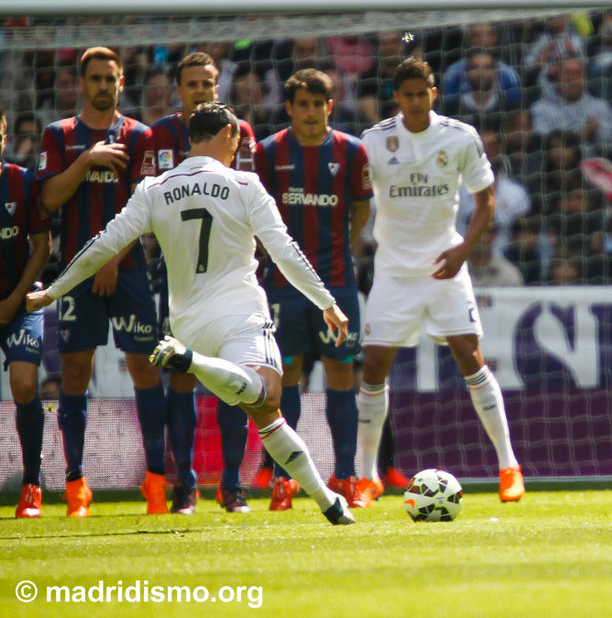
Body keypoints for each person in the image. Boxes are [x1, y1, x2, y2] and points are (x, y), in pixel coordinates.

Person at [27, 102, 356, 525]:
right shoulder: (244, 184)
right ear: (226, 135)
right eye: (237, 137)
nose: (239, 145)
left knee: (266, 415)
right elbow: (285, 250)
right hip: (239, 314)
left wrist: (54, 289)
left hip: (187, 324)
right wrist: (326, 301)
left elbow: (102, 244)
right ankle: (193, 363)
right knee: (269, 393)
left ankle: (328, 502)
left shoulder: (153, 189)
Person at [356, 57, 525, 502]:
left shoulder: (460, 137)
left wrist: (463, 250)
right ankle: (367, 474)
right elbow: (355, 197)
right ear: (397, 97)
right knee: (373, 367)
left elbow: (486, 201)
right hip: (392, 271)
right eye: (406, 94)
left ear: (434, 93)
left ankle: (509, 467)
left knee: (471, 357)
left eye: (421, 93)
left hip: (445, 266)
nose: (414, 101)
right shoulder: (374, 141)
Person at [38, 47, 165, 518]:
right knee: (74, 372)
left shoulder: (141, 135)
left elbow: (148, 208)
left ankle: (155, 482)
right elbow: (49, 199)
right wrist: (86, 160)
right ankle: (76, 486)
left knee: (145, 370)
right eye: (94, 77)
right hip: (75, 271)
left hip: (128, 269)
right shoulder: (60, 135)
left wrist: (111, 257)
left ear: (121, 81)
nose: (102, 85)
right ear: (80, 82)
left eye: (109, 78)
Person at [253, 69, 372, 509]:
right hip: (283, 286)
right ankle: (283, 480)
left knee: (342, 375)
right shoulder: (269, 152)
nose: (309, 112)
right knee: (287, 381)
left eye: (317, 103)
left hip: (337, 282)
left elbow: (361, 212)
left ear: (329, 104)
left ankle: (346, 477)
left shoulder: (352, 152)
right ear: (289, 107)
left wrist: (341, 246)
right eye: (301, 104)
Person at [149, 51, 258, 515]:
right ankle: (185, 486)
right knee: (179, 379)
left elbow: (250, 205)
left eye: (207, 84)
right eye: (192, 83)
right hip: (178, 281)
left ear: (217, 87)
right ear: (179, 88)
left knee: (233, 379)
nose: (200, 90)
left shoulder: (240, 133)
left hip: (230, 281)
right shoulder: (160, 135)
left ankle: (232, 486)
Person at [0, 108, 52, 517]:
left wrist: (15, 297)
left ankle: (32, 485)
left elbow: (43, 247)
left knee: (23, 384)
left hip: (21, 301)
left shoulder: (23, 181)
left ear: (3, 138)